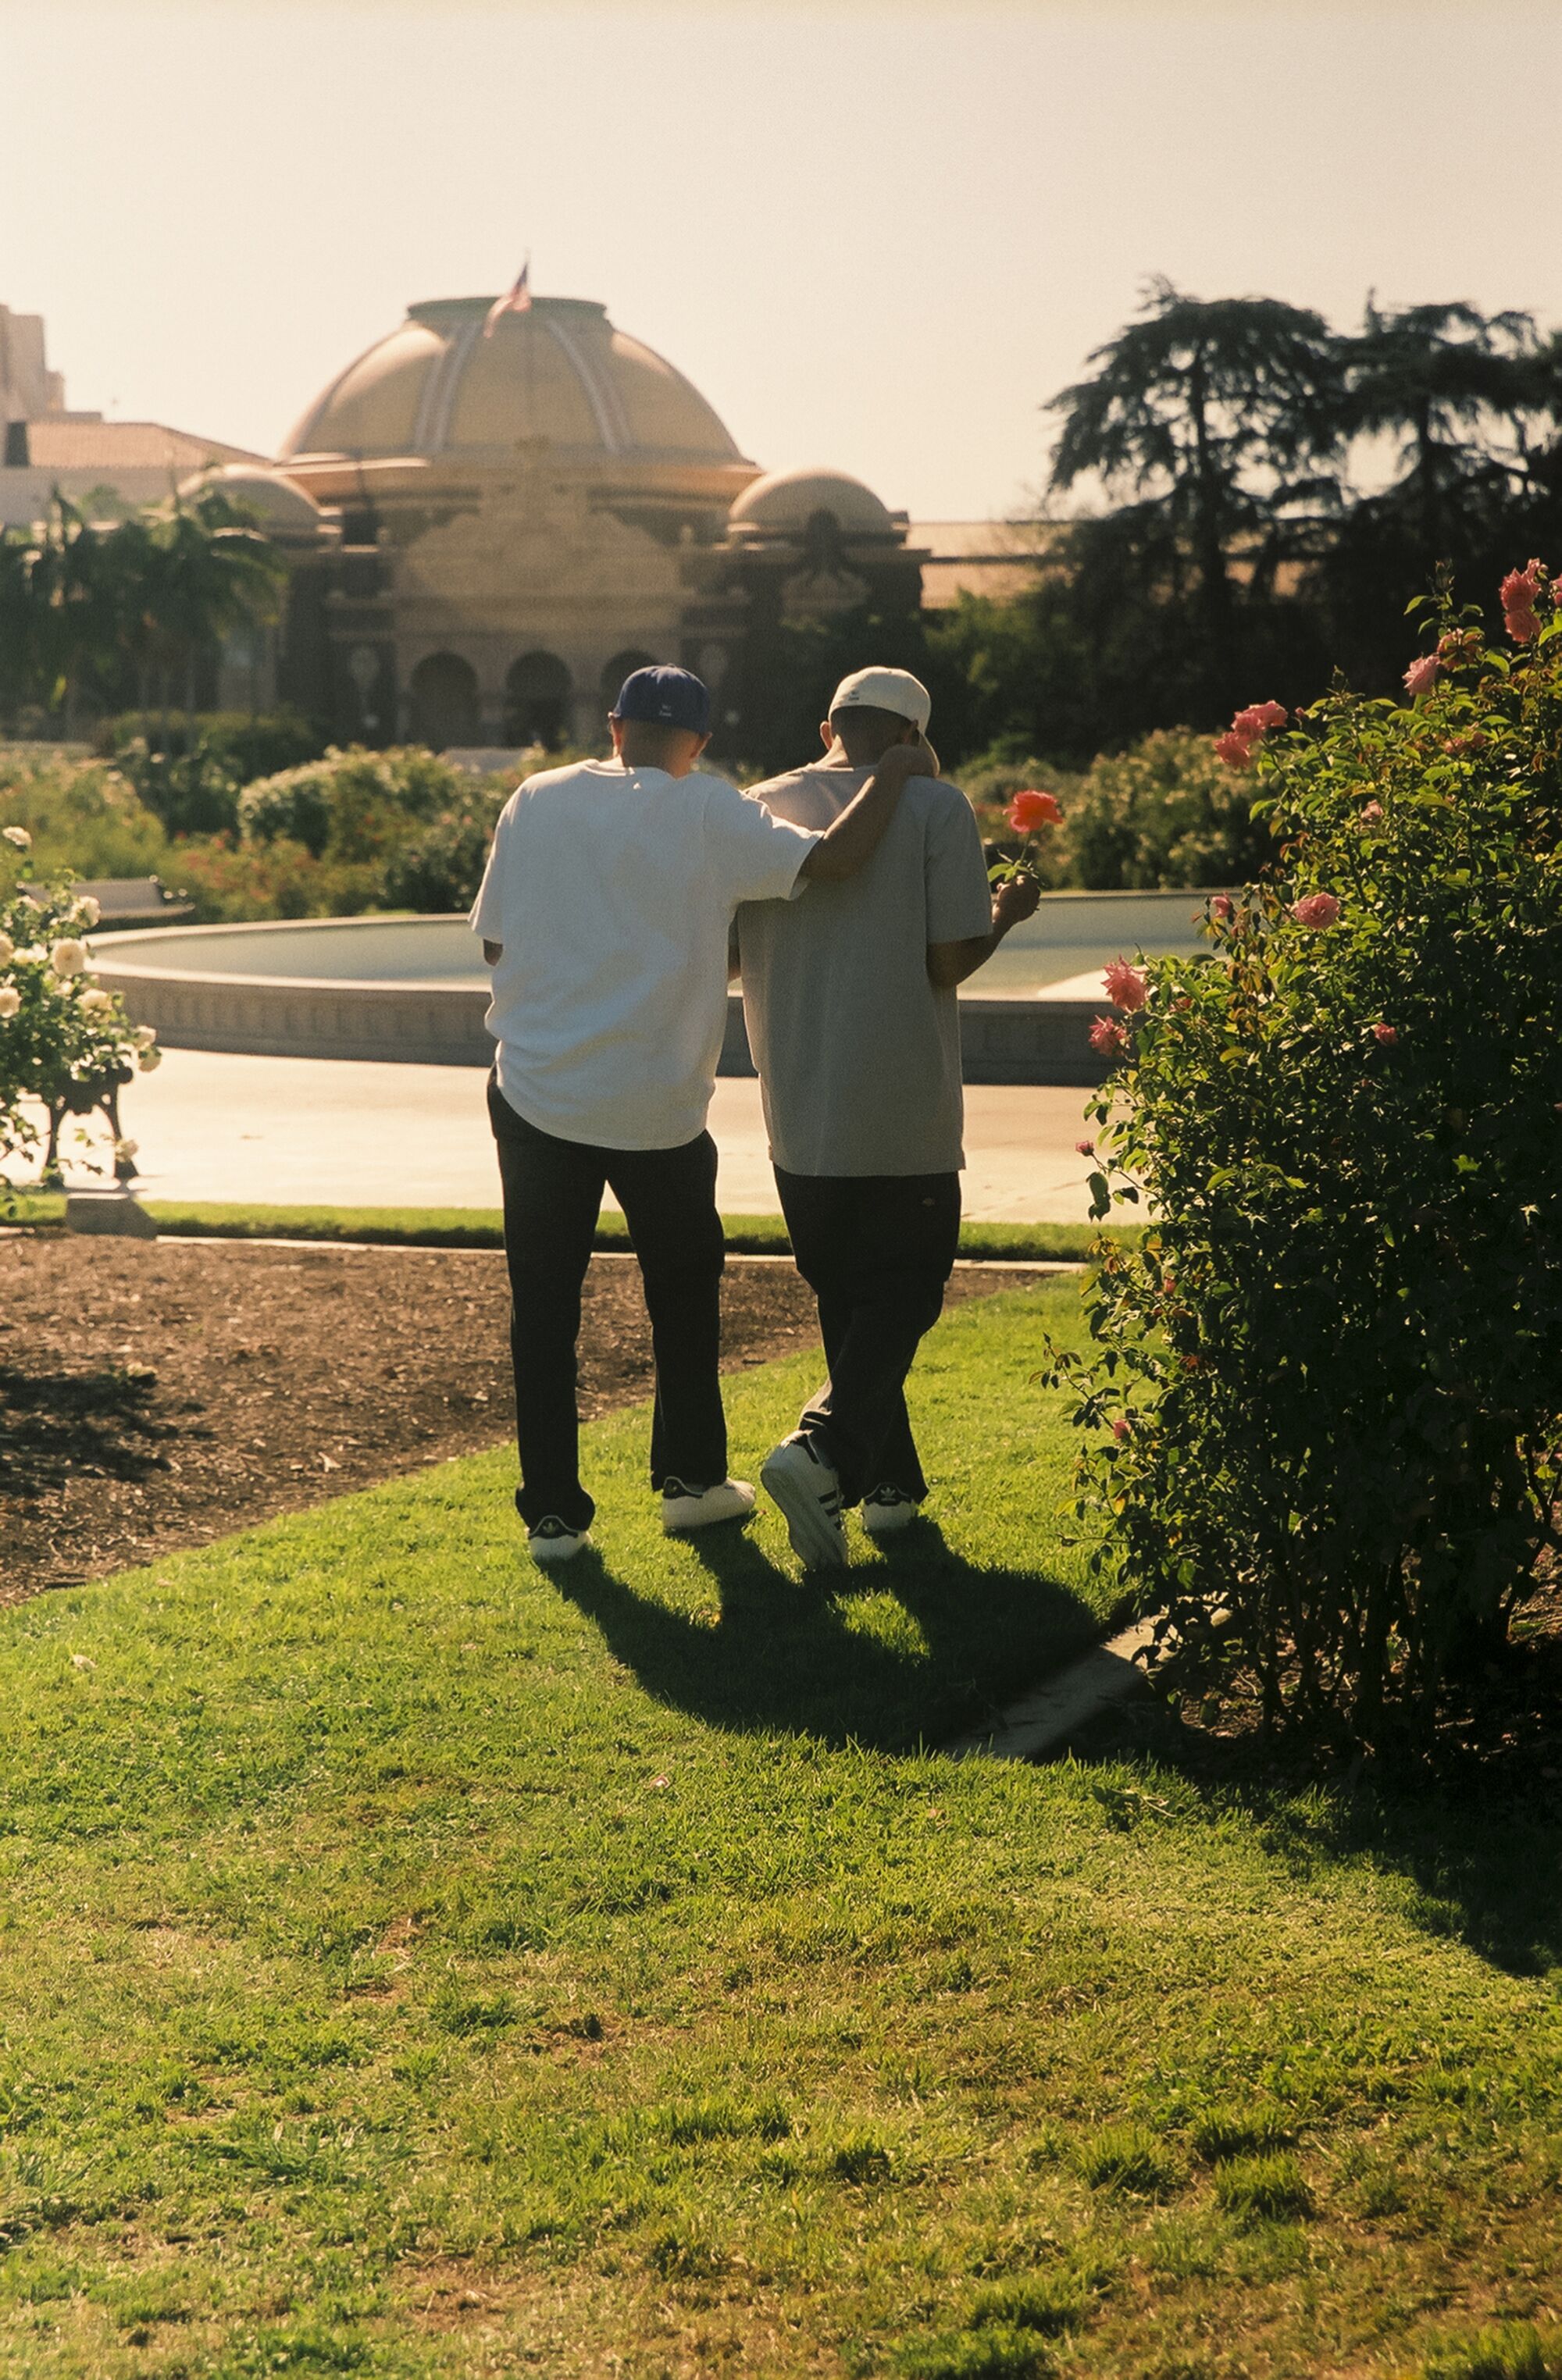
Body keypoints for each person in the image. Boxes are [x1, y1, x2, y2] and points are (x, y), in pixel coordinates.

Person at [471, 663, 931, 1566]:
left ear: (613, 727)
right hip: (656, 1107)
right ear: (698, 743)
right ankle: (689, 1487)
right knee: (681, 1299)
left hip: (534, 1091)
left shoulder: (535, 797)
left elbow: (496, 939)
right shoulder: (710, 810)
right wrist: (894, 772)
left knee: (543, 1309)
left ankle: (553, 1519)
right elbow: (835, 859)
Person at [734, 666, 1041, 1568]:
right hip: (901, 1102)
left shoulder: (753, 808)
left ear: (825, 721)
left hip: (795, 1106)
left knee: (849, 1301)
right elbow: (946, 960)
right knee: (905, 1292)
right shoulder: (934, 807)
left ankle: (887, 1492)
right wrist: (1005, 915)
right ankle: (822, 1446)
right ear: (914, 735)